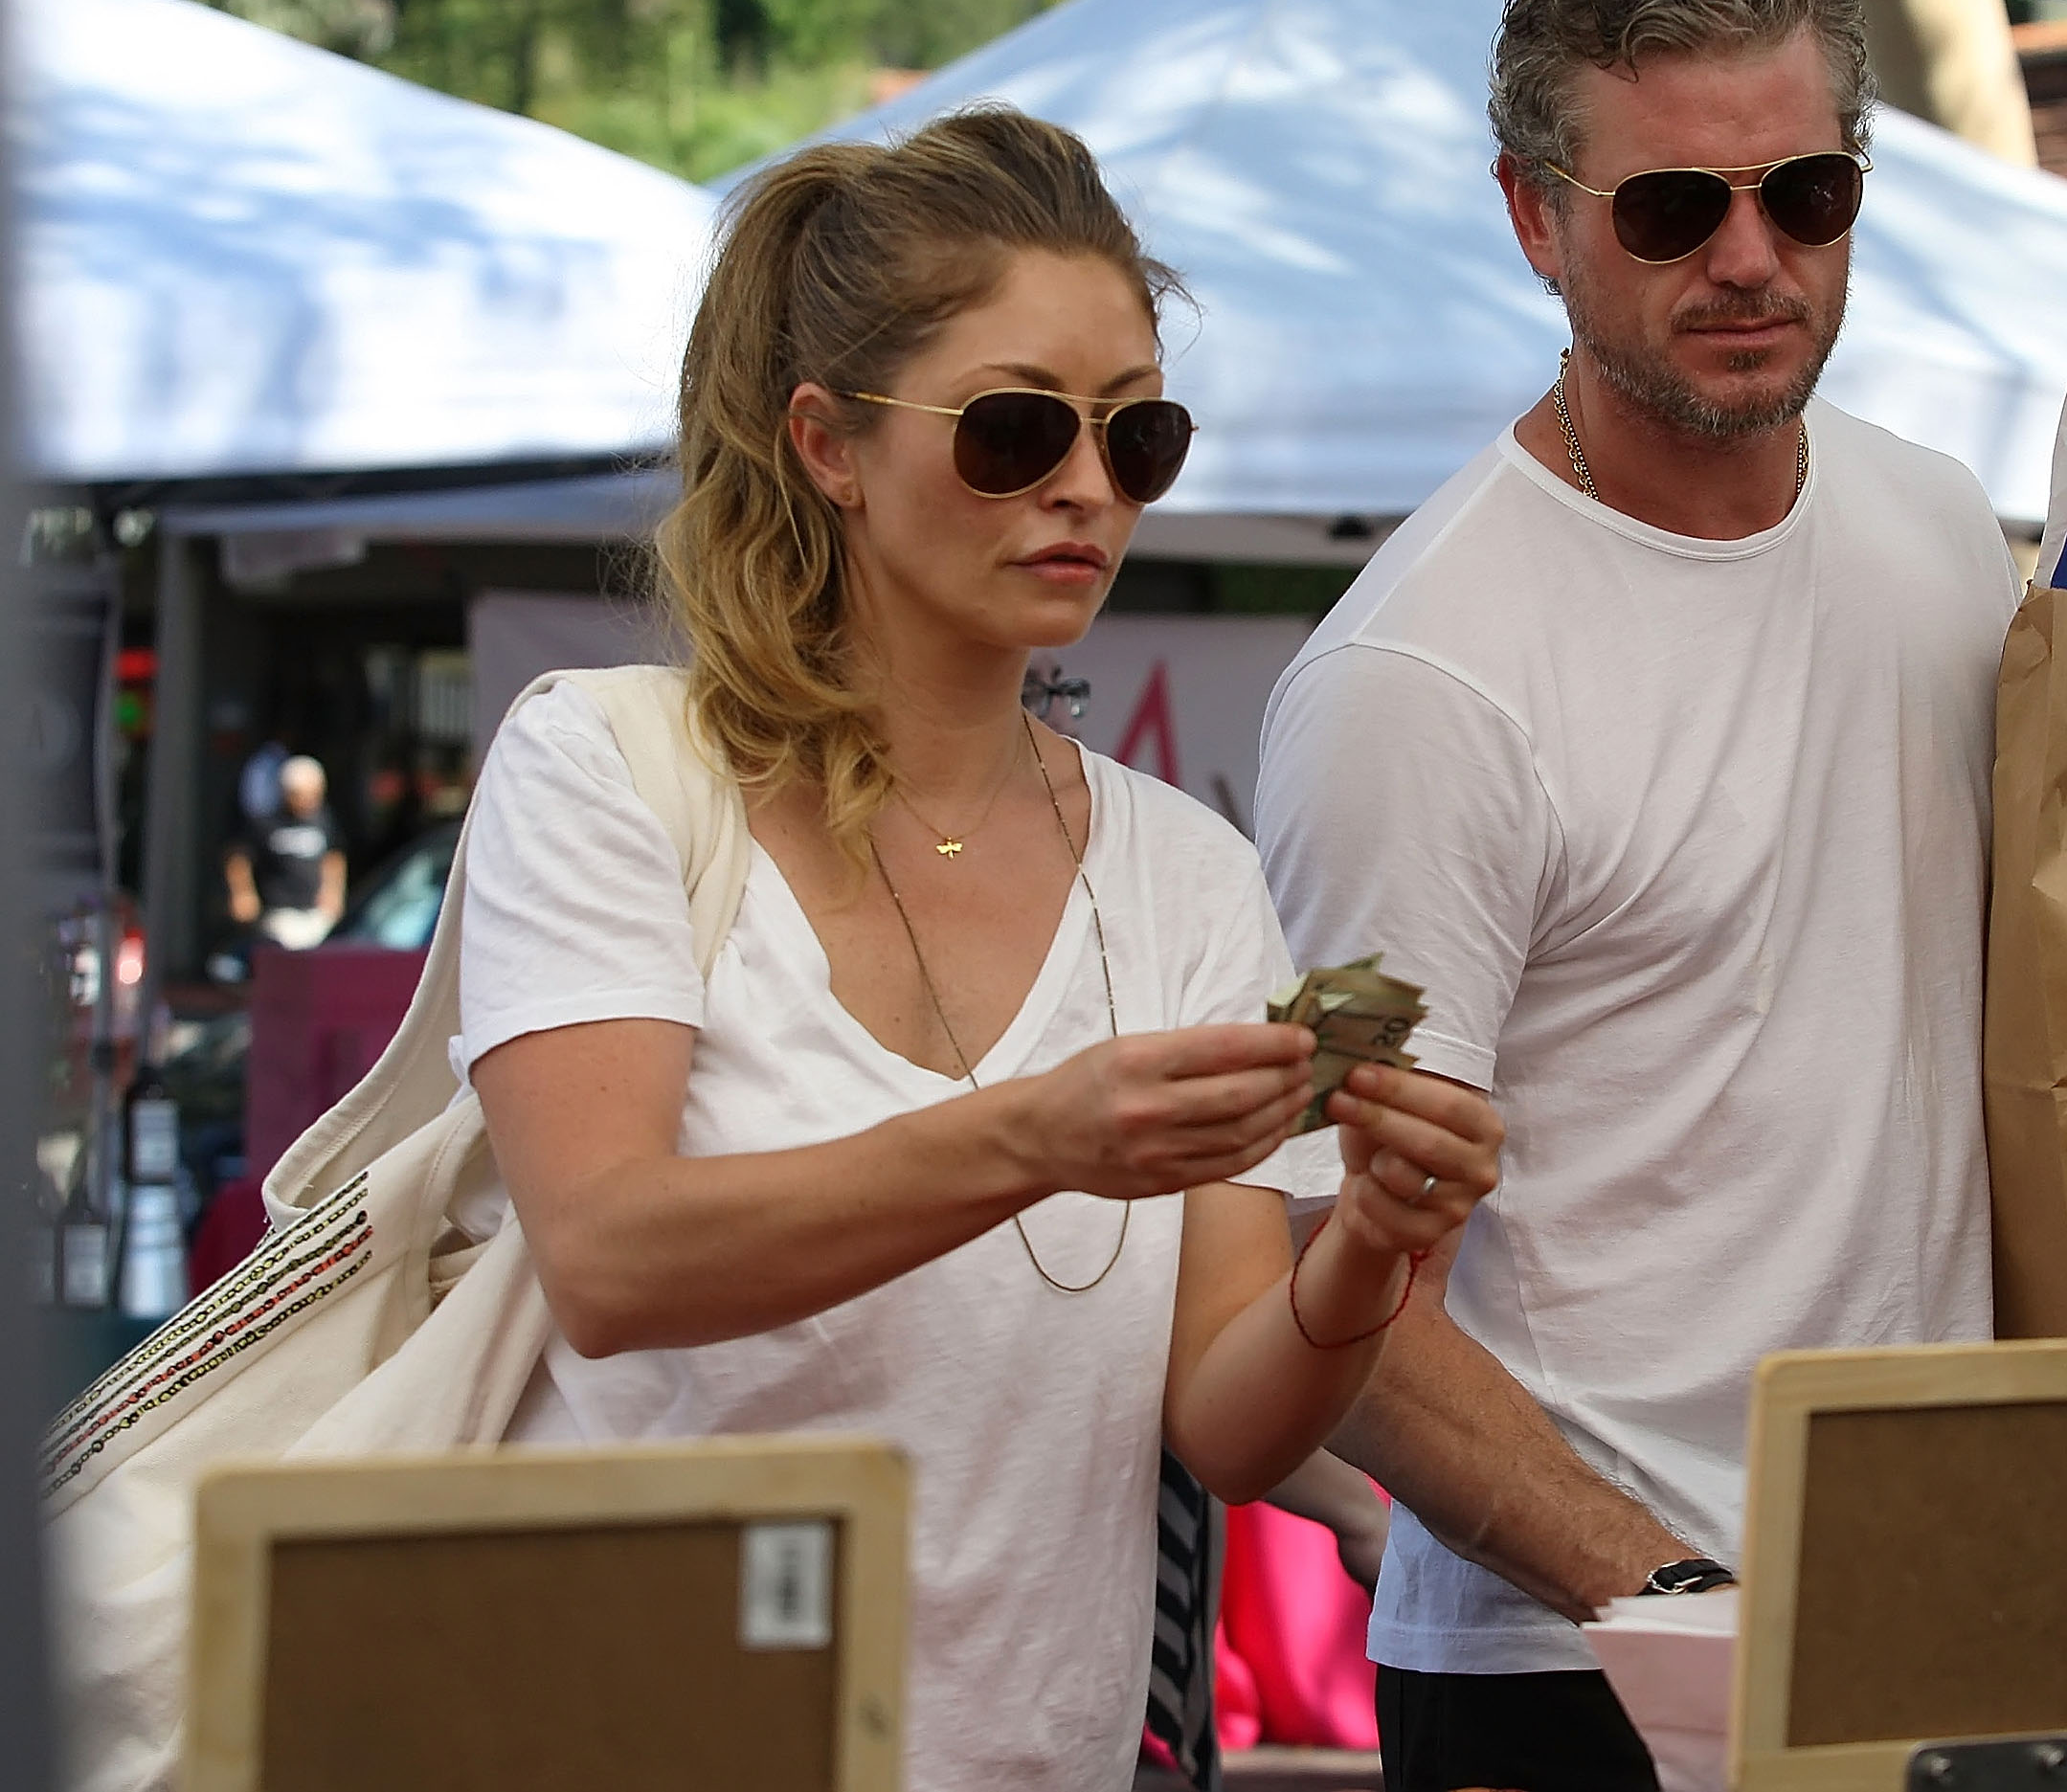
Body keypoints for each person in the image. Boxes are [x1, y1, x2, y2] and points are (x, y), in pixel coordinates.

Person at [1252, 0, 2067, 1786]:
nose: (1751, 256)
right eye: (1672, 208)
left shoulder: (1933, 528)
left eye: (1808, 195)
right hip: (1579, 1669)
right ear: (1534, 218)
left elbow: (2047, 1011)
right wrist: (1676, 1598)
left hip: (1957, 1604)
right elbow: (1327, 1277)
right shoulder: (1414, 681)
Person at [458, 108, 1502, 1789]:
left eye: (1138, 434)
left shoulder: (1185, 870)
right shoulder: (608, 766)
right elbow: (610, 1262)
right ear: (829, 444)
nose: (1088, 487)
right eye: (1016, 429)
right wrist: (1035, 1136)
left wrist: (1373, 1241)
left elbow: (1226, 1425)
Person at [223, 753, 344, 950]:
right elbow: (239, 857)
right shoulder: (266, 823)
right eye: (300, 794)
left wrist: (333, 892)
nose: (307, 801)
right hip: (278, 913)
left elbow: (333, 857)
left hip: (316, 912)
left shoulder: (324, 821)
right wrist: (243, 894)